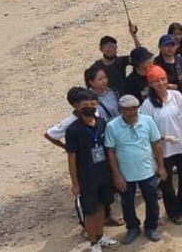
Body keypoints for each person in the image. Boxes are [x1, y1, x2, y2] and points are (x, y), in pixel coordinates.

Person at [139, 66, 182, 225]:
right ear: (150, 84)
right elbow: (147, 131)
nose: (161, 83)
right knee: (166, 183)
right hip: (163, 150)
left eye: (163, 79)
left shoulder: (177, 96)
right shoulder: (147, 105)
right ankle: (173, 212)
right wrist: (165, 137)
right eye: (156, 81)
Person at [65, 90, 120, 252]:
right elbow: (71, 158)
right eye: (85, 105)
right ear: (78, 107)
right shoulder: (73, 130)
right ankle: (93, 243)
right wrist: (75, 183)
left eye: (92, 104)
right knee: (90, 211)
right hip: (86, 177)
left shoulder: (102, 123)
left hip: (103, 174)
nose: (89, 107)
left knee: (102, 206)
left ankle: (101, 236)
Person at [105, 95, 165, 244]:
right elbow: (110, 151)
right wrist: (116, 175)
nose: (131, 112)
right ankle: (132, 227)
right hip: (125, 174)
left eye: (134, 109)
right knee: (127, 203)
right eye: (127, 110)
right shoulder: (112, 126)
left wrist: (161, 166)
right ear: (121, 110)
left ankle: (151, 227)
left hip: (148, 171)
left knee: (152, 201)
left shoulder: (147, 121)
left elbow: (156, 144)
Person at [85, 27, 140, 97]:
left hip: (124, 96)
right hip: (107, 98)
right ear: (101, 49)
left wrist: (134, 36)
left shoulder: (121, 60)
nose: (110, 49)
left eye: (112, 45)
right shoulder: (96, 67)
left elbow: (139, 55)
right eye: (107, 46)